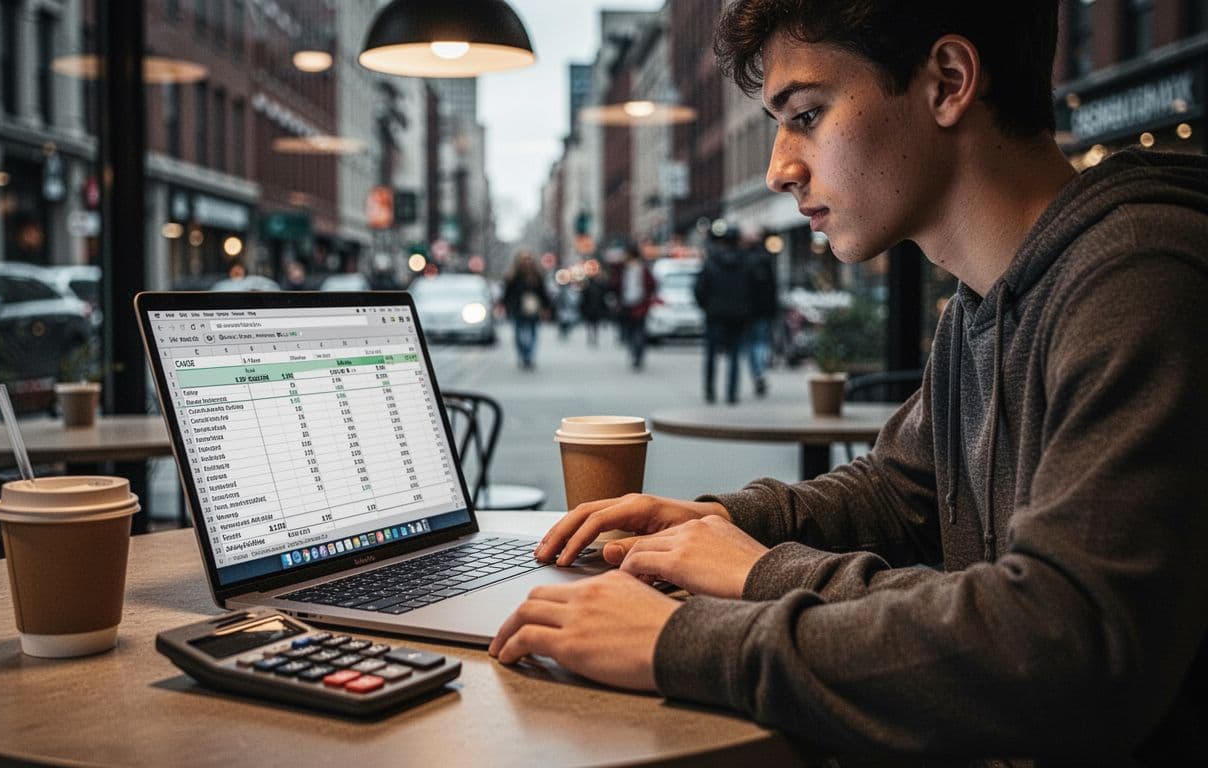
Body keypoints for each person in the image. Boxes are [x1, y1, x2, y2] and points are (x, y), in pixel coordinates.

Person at [489, 1, 1208, 761]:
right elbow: (898, 493)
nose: (778, 168)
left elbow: (1061, 647)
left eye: (806, 113)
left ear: (948, 81)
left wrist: (697, 627)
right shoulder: (985, 300)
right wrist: (711, 526)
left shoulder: (1139, 277)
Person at [695, 225, 757, 404]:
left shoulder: (711, 262)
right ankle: (731, 393)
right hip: (738, 315)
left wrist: (707, 307)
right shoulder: (746, 262)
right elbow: (753, 290)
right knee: (735, 356)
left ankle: (709, 391)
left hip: (715, 315)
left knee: (711, 355)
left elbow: (699, 289)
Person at [502, 249, 548, 370]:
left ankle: (529, 356)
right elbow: (507, 293)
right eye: (524, 259)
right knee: (519, 334)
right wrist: (505, 306)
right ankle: (522, 354)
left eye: (528, 259)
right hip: (517, 308)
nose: (526, 262)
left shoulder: (536, 275)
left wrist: (546, 307)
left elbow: (543, 293)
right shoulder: (512, 276)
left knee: (533, 333)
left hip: (533, 308)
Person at [614, 243, 655, 370]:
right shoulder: (623, 269)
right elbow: (616, 285)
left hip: (640, 304)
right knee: (632, 331)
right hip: (627, 304)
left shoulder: (642, 269)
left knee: (638, 331)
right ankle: (635, 352)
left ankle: (637, 354)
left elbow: (651, 284)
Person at [745, 239, 778, 397]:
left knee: (751, 344)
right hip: (764, 311)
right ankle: (761, 371)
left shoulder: (744, 262)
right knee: (762, 342)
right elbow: (773, 288)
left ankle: (756, 372)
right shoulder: (766, 262)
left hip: (748, 311)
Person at [579, 272, 610, 347]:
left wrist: (583, 309)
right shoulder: (600, 288)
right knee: (595, 325)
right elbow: (602, 300)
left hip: (590, 309)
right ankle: (594, 338)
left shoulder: (587, 288)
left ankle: (591, 337)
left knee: (590, 325)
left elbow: (583, 300)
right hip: (595, 309)